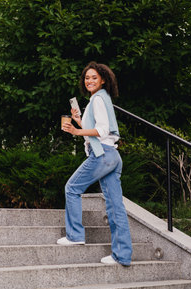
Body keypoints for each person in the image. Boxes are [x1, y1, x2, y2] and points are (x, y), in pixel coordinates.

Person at [57, 61, 133, 266]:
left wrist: (76, 131)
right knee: (115, 206)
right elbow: (97, 129)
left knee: (72, 188)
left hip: (103, 155)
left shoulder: (98, 99)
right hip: (112, 157)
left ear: (103, 80)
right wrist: (79, 121)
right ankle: (122, 255)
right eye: (87, 78)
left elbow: (103, 130)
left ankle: (75, 236)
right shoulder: (101, 99)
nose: (89, 80)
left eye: (94, 77)